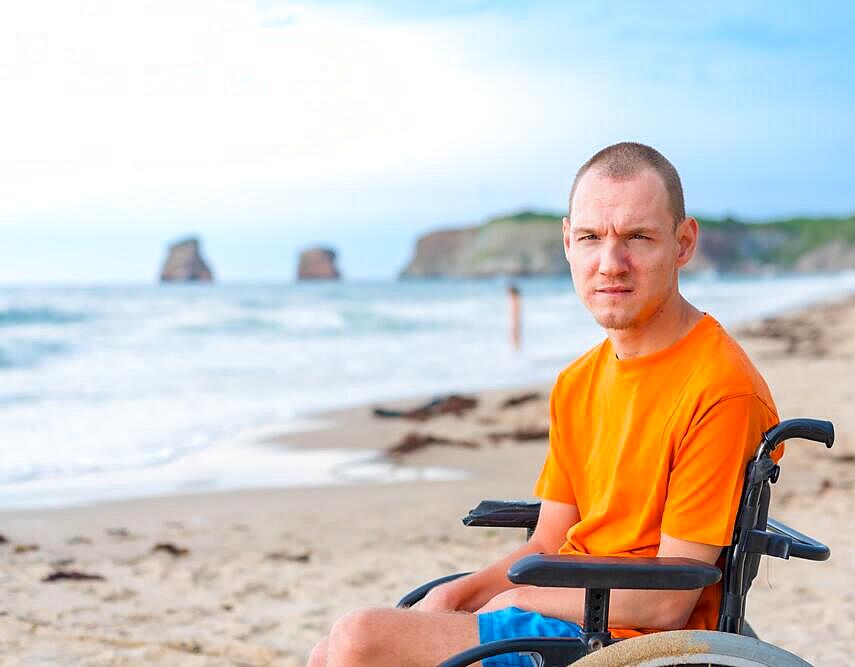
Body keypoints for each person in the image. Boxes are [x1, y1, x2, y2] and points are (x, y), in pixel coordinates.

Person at [307, 142, 779, 666]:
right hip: (567, 613)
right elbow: (550, 542)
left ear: (683, 243)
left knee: (360, 639)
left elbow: (670, 600)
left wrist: (516, 597)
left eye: (638, 238)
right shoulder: (578, 381)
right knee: (331, 649)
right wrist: (462, 594)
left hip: (628, 641)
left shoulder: (719, 387)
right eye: (590, 238)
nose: (610, 263)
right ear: (567, 244)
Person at [507, 283, 522, 352]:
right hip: (515, 320)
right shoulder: (515, 300)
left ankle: (516, 351)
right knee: (514, 335)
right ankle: (516, 350)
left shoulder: (516, 300)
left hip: (515, 320)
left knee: (514, 335)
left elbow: (515, 312)